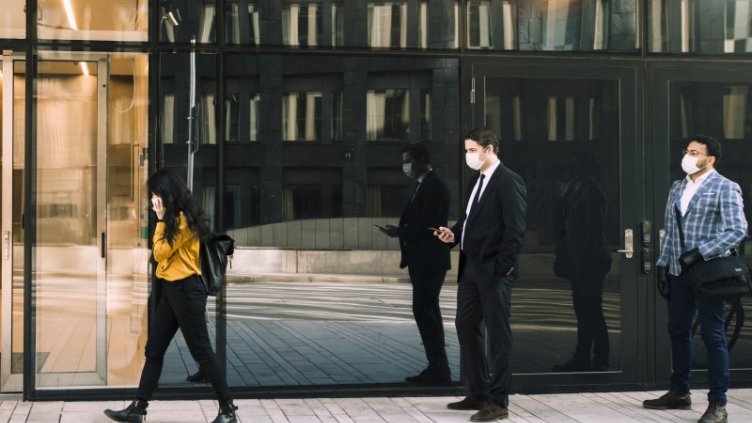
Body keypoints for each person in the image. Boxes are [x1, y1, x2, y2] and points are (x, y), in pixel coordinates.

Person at [104, 168, 238, 423]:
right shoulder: (176, 219)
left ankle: (228, 410)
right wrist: (163, 220)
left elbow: (159, 253)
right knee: (154, 349)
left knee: (203, 353)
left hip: (187, 291)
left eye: (156, 194)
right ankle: (138, 409)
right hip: (172, 290)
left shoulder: (183, 220)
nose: (153, 199)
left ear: (167, 193)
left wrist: (161, 219)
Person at [644, 135, 747, 423]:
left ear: (710, 159)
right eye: (686, 151)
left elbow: (736, 230)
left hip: (709, 274)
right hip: (678, 274)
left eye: (694, 152)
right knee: (678, 331)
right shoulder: (678, 187)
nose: (687, 156)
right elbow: (671, 231)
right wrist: (664, 265)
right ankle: (680, 391)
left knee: (713, 336)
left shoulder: (725, 188)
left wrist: (700, 253)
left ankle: (718, 404)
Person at [435, 128, 526, 422]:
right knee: (466, 326)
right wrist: (454, 234)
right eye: (466, 150)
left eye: (472, 150)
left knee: (498, 337)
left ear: (489, 149)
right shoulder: (476, 180)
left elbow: (515, 230)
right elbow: (467, 220)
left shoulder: (508, 182)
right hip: (471, 268)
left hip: (494, 271)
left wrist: (503, 268)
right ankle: (478, 392)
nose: (468, 156)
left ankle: (498, 402)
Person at [378, 143, 452, 385]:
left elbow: (428, 225)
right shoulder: (423, 185)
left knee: (425, 311)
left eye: (408, 161)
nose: (405, 166)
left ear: (421, 159)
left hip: (429, 259)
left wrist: (400, 231)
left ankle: (439, 369)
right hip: (424, 259)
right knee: (427, 311)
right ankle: (437, 367)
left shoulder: (433, 185)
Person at [551, 152, 611, 372]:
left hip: (590, 260)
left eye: (573, 165)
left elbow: (593, 230)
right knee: (584, 309)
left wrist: (581, 261)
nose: (568, 169)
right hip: (582, 259)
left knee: (591, 309)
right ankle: (584, 355)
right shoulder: (575, 188)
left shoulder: (591, 190)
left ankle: (599, 357)